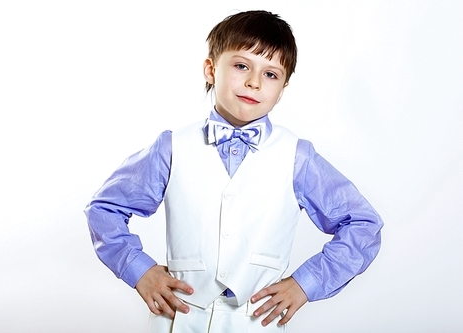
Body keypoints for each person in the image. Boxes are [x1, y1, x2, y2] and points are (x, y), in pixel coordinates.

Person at [85, 10, 383, 333]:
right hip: (180, 318)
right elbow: (104, 209)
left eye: (271, 74)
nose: (254, 82)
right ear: (211, 69)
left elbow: (364, 225)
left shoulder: (297, 157)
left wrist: (305, 283)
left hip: (256, 321)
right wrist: (138, 269)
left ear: (283, 87)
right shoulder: (172, 148)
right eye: (242, 66)